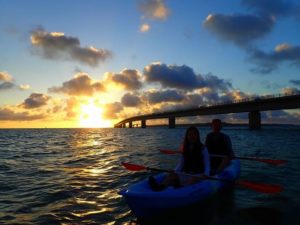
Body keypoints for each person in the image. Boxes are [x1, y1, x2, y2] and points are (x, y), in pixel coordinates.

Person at [148, 126, 210, 191]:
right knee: (172, 175)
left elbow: (207, 163)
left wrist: (206, 174)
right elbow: (181, 164)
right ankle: (160, 187)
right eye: (190, 134)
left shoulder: (203, 148)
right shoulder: (185, 148)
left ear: (197, 136)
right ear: (187, 136)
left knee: (193, 179)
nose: (192, 136)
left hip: (198, 174)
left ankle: (180, 188)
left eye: (194, 134)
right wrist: (175, 171)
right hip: (186, 173)